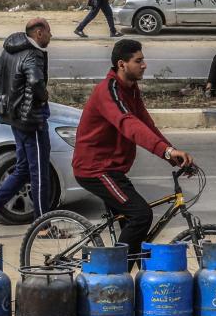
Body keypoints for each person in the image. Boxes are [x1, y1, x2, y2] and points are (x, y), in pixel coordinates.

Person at [72, 39, 194, 259]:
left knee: (135, 235)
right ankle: (114, 275)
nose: (144, 64)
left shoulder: (131, 90)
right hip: (95, 169)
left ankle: (127, 278)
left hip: (113, 169)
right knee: (141, 215)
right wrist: (166, 151)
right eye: (138, 61)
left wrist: (171, 154)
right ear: (122, 64)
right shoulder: (108, 91)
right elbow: (128, 123)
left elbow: (146, 125)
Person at [0, 18, 53, 237]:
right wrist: (42, 96)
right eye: (49, 32)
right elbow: (36, 82)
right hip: (31, 120)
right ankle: (43, 226)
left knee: (23, 169)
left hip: (14, 119)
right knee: (39, 173)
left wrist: (13, 98)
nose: (51, 36)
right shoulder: (32, 54)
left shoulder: (9, 50)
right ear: (39, 33)